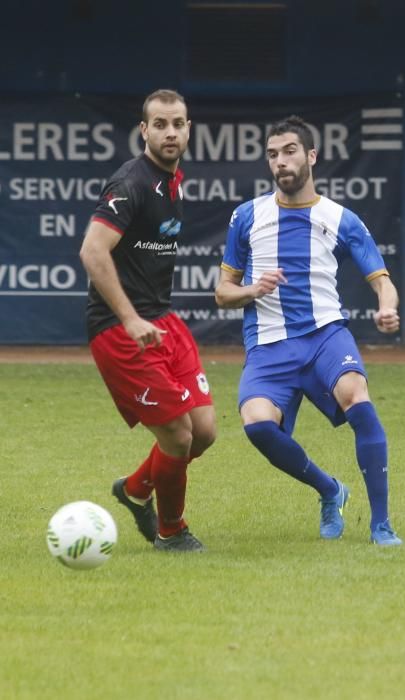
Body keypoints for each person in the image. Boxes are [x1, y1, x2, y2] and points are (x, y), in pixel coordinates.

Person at [215, 115, 402, 546]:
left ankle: (381, 525)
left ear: (311, 156)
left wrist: (387, 308)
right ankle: (330, 490)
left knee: (357, 395)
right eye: (273, 154)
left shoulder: (340, 218)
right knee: (257, 424)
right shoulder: (246, 217)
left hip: (324, 336)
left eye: (290, 151)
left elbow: (382, 281)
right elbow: (222, 294)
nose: (280, 161)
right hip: (268, 345)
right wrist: (252, 289)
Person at [80, 89, 216, 552]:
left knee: (205, 432)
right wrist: (130, 318)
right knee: (178, 435)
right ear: (144, 130)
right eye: (160, 124)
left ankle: (136, 489)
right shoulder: (131, 183)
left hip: (163, 320)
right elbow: (92, 252)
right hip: (121, 331)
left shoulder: (173, 179)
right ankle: (170, 531)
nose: (170, 132)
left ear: (189, 128)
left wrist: (147, 318)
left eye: (178, 123)